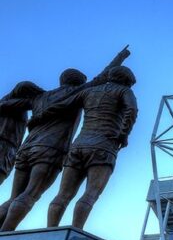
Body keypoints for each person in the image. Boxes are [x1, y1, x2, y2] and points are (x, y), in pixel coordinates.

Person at [28, 65, 138, 229]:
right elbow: (132, 110)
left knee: (63, 195)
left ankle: (50, 231)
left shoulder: (88, 92)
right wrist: (123, 134)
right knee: (91, 194)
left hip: (78, 146)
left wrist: (38, 117)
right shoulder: (123, 91)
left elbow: (61, 105)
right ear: (127, 80)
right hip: (104, 145)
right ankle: (76, 231)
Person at [0, 81, 45, 186]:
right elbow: (30, 102)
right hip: (4, 145)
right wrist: (46, 96)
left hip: (10, 147)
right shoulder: (6, 103)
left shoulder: (18, 109)